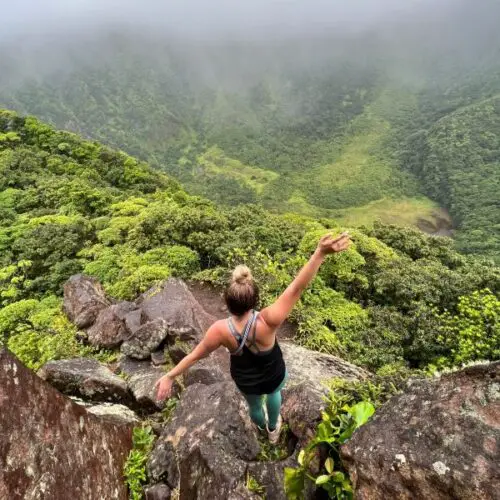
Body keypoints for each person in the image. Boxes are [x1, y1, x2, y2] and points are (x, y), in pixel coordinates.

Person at [155, 232, 351, 443]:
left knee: (255, 406)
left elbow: (194, 356)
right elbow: (297, 287)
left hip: (245, 379)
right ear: (255, 299)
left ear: (228, 303)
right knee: (275, 393)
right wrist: (320, 253)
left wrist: (170, 376)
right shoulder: (268, 321)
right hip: (272, 371)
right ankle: (273, 429)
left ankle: (259, 426)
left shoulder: (219, 330)